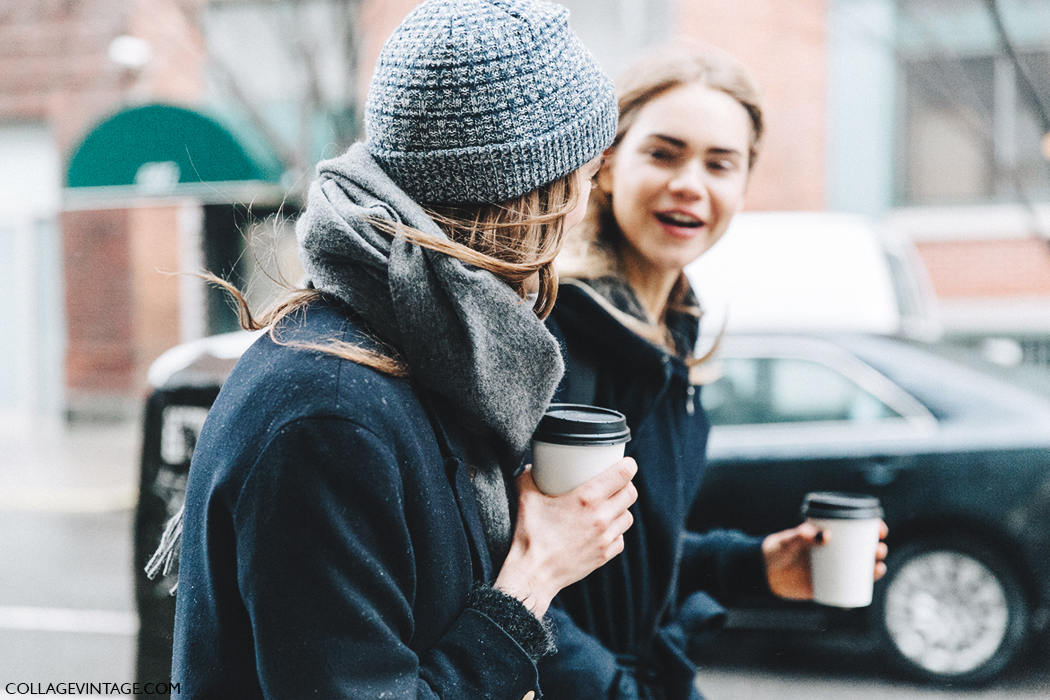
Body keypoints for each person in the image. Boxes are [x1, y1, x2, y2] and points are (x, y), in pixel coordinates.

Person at [168, 1, 639, 697]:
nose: (587, 199)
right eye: (585, 172)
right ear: (527, 191)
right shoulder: (329, 416)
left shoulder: (428, 361)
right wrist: (534, 574)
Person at [537, 40, 889, 700]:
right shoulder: (558, 330)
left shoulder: (676, 331)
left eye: (719, 164)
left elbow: (631, 548)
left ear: (742, 186)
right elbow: (507, 568)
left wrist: (755, 567)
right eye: (663, 153)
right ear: (606, 166)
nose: (689, 184)